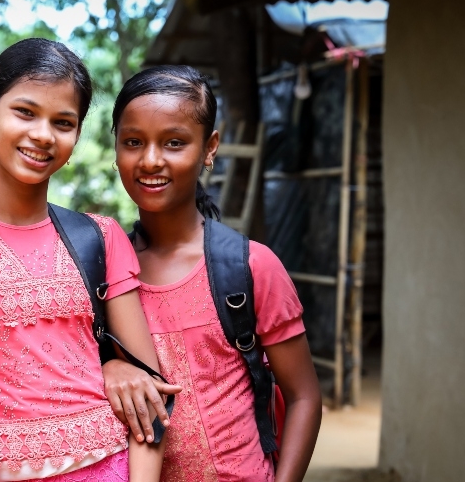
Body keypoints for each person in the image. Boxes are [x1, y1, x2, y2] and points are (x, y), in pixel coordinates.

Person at [0, 38, 178, 482]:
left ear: (77, 135)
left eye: (63, 122)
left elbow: (148, 400)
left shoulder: (101, 238)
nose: (42, 134)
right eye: (25, 112)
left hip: (108, 468)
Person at [110, 65, 322, 482]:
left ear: (209, 148)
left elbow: (304, 396)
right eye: (133, 142)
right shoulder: (104, 270)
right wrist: (110, 369)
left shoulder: (250, 267)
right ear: (115, 148)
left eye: (174, 142)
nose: (151, 160)